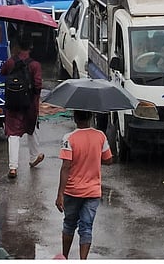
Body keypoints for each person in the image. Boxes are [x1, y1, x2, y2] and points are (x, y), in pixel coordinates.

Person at [55, 110, 114, 260]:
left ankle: (65, 257)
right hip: (93, 192)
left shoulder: (69, 138)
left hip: (72, 191)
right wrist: (93, 157)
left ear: (75, 118)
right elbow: (108, 160)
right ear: (91, 116)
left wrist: (60, 194)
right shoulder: (100, 136)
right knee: (86, 228)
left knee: (69, 224)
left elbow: (66, 167)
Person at [2, 38, 43, 179]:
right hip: (30, 104)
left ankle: (13, 167)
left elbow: (3, 72)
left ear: (17, 47)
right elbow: (38, 84)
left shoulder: (10, 62)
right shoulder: (35, 65)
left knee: (13, 134)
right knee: (31, 128)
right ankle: (33, 157)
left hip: (12, 104)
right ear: (30, 47)